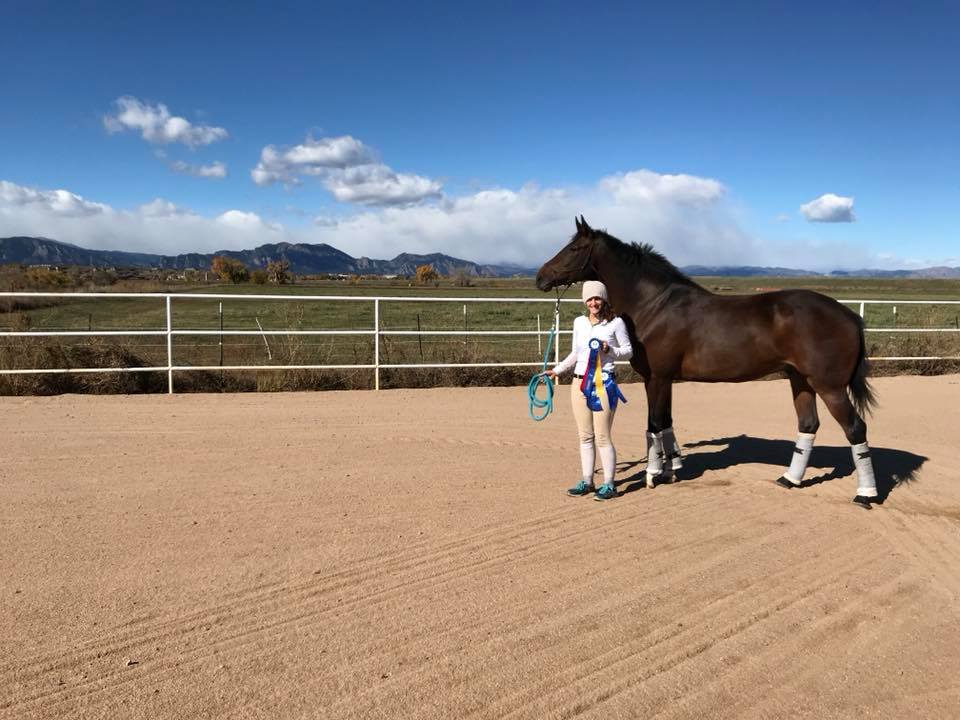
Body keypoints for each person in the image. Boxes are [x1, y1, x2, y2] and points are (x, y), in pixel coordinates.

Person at [544, 280, 633, 500]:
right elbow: (576, 353)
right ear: (585, 301)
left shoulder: (616, 324)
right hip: (579, 384)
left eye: (597, 298)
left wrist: (608, 349)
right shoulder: (579, 323)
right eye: (590, 299)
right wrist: (558, 370)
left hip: (604, 384)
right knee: (585, 436)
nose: (593, 303)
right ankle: (587, 481)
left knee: (602, 436)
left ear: (604, 300)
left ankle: (609, 484)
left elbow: (628, 352)